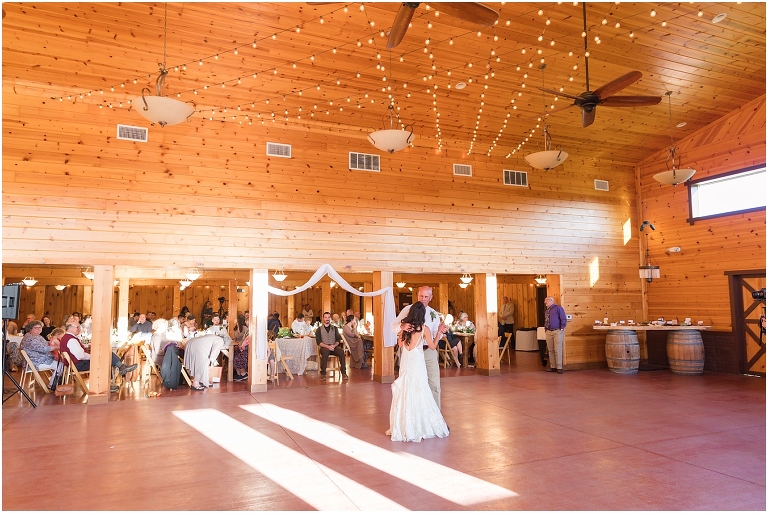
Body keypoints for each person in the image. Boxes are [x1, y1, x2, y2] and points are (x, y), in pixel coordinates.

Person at [387, 302, 450, 442]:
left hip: (406, 360)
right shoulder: (424, 329)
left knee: (406, 390)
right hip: (417, 361)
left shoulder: (405, 328)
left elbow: (400, 344)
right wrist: (439, 332)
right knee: (420, 389)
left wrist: (402, 331)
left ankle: (404, 426)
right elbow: (432, 346)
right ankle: (420, 425)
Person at [391, 286, 449, 409]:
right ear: (417, 295)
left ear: (431, 298)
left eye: (426, 297)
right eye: (421, 296)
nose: (423, 299)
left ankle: (435, 417)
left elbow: (433, 336)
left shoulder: (434, 314)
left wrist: (441, 331)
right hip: (411, 353)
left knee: (434, 385)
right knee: (411, 385)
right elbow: (393, 327)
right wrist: (402, 326)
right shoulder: (408, 309)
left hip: (428, 350)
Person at [58, 321, 137, 392]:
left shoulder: (68, 338)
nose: (79, 329)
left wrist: (86, 346)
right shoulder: (71, 340)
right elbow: (80, 356)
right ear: (70, 328)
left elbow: (77, 350)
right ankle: (107, 384)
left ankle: (120, 368)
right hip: (78, 364)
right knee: (104, 360)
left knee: (106, 354)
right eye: (77, 327)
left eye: (79, 327)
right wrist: (94, 356)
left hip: (75, 364)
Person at [315, 312, 347, 381]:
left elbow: (338, 339)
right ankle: (323, 373)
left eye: (328, 317)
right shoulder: (319, 329)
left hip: (333, 346)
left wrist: (334, 345)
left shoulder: (335, 328)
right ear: (323, 318)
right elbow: (319, 342)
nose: (327, 319)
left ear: (330, 318)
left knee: (341, 352)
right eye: (325, 317)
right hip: (324, 347)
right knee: (325, 352)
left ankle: (344, 373)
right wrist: (327, 346)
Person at [544, 296, 568, 374]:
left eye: (546, 301)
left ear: (551, 301)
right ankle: (553, 366)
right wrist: (546, 329)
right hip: (549, 331)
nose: (545, 302)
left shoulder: (558, 308)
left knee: (557, 349)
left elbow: (563, 318)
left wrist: (562, 328)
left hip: (557, 331)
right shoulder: (547, 311)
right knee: (550, 349)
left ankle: (559, 367)